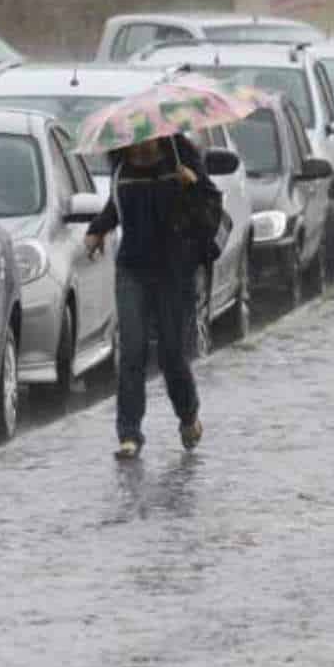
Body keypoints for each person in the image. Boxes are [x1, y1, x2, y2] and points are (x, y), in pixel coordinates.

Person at [84, 133, 213, 460]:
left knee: (171, 353)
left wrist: (192, 185)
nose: (141, 147)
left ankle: (188, 415)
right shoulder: (122, 171)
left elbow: (207, 206)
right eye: (135, 141)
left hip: (174, 270)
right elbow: (116, 207)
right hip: (132, 270)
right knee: (132, 350)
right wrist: (98, 228)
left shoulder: (179, 161)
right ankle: (129, 433)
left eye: (147, 140)